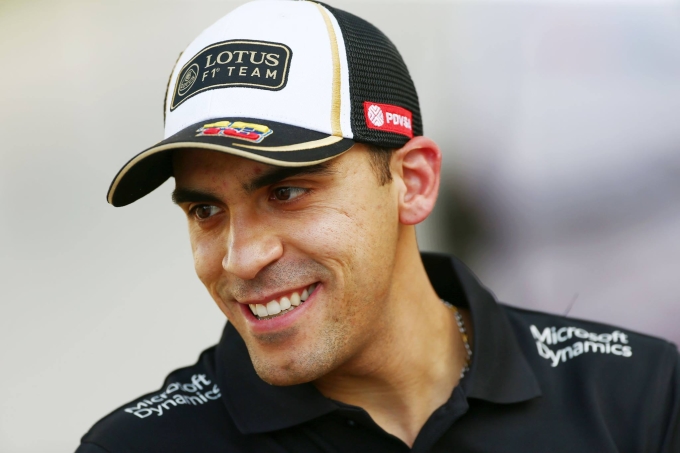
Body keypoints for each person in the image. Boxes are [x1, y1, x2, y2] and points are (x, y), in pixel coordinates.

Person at [77, 1, 680, 452]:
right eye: (206, 211)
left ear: (413, 182)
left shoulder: (637, 397)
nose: (241, 257)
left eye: (287, 192)